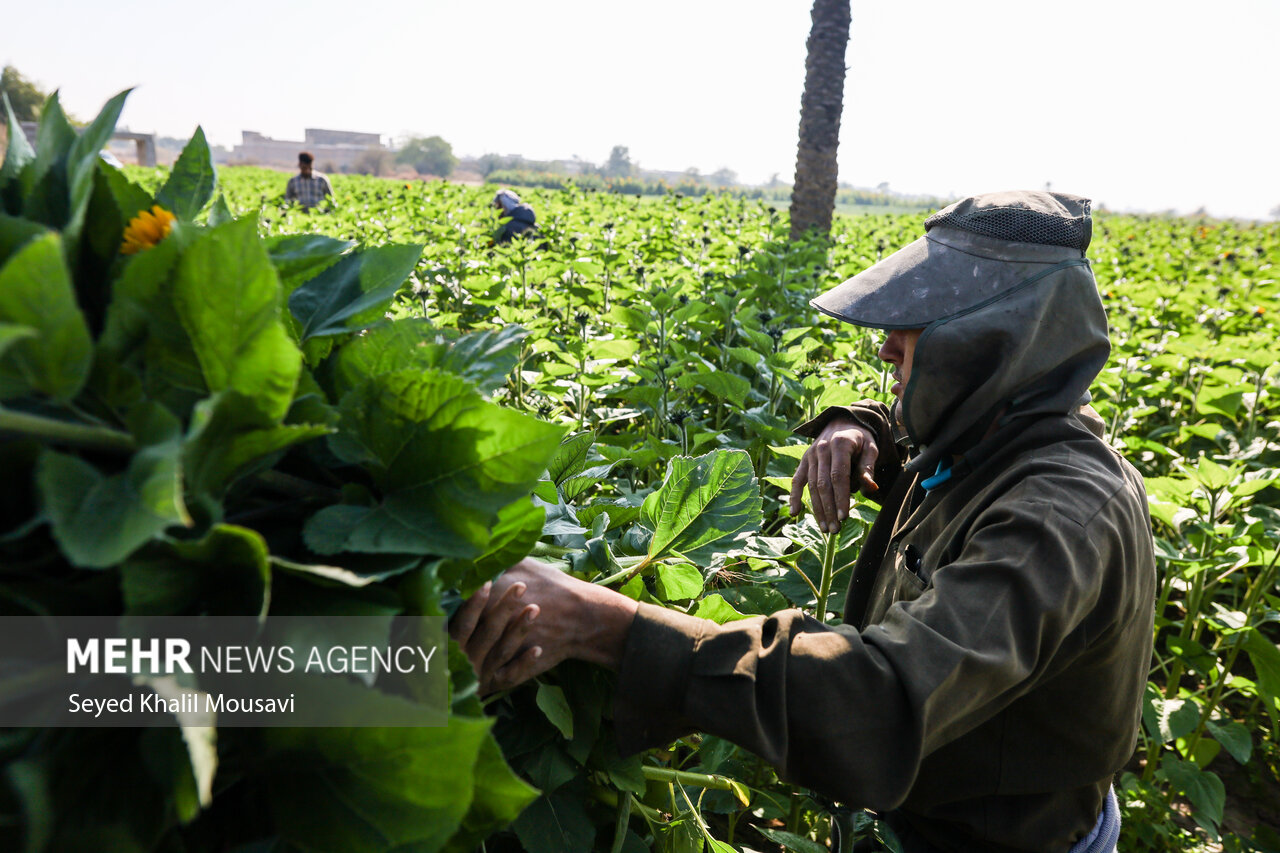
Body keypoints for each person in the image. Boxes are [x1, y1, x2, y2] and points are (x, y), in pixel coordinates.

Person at [452, 191, 1156, 853]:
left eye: (913, 335)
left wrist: (603, 622)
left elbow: (884, 699)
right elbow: (938, 445)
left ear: (988, 346)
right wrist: (858, 427)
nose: (887, 350)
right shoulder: (1005, 428)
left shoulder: (1060, 519)